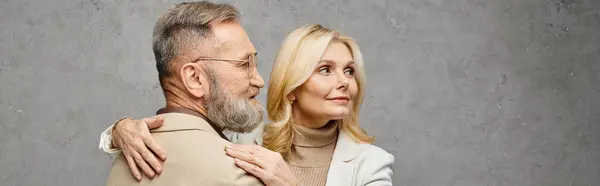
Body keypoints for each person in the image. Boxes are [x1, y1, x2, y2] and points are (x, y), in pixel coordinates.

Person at [101, 24, 395, 185]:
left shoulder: (372, 164)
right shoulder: (246, 140)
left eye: (349, 71)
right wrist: (119, 129)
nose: (344, 82)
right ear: (292, 87)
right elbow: (187, 135)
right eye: (325, 69)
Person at [102, 1, 295, 185]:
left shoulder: (122, 163)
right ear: (194, 78)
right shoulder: (242, 176)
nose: (259, 80)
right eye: (244, 64)